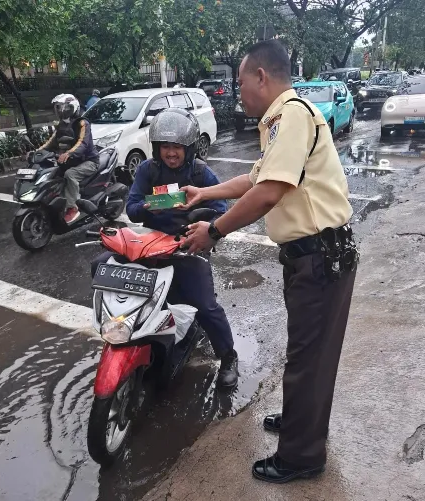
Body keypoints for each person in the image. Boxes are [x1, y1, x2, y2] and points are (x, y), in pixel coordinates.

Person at [182, 40, 358, 483]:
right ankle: (303, 422)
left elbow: (268, 192)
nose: (237, 92)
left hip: (321, 257)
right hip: (312, 258)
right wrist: (205, 193)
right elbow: (256, 177)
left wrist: (214, 231)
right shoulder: (281, 121)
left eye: (240, 82)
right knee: (308, 353)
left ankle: (301, 456)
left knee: (308, 358)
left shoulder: (291, 115)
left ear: (261, 77)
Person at [91, 108, 239, 389]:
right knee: (100, 265)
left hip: (186, 246)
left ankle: (228, 357)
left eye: (177, 147)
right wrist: (147, 207)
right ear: (157, 148)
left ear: (189, 148)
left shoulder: (200, 172)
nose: (171, 153)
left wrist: (203, 224)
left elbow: (221, 209)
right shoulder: (148, 170)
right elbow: (132, 208)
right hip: (149, 245)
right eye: (165, 147)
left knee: (205, 306)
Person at [38, 94, 99, 224]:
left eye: (65, 107)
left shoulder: (82, 123)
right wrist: (36, 152)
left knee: (70, 174)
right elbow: (51, 142)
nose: (62, 110)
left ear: (73, 108)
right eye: (59, 108)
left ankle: (72, 207)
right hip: (71, 161)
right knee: (51, 174)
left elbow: (83, 143)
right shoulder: (61, 125)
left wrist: (69, 153)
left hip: (88, 161)